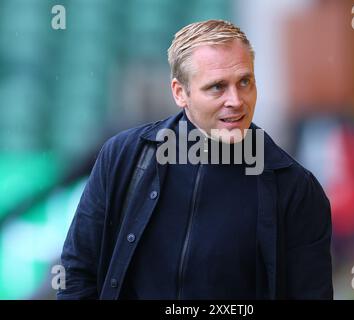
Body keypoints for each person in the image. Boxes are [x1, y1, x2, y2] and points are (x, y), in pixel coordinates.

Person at [57, 20, 333, 300]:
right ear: (180, 93)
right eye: (217, 87)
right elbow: (78, 273)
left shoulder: (296, 189)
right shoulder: (122, 157)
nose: (236, 100)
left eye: (245, 82)